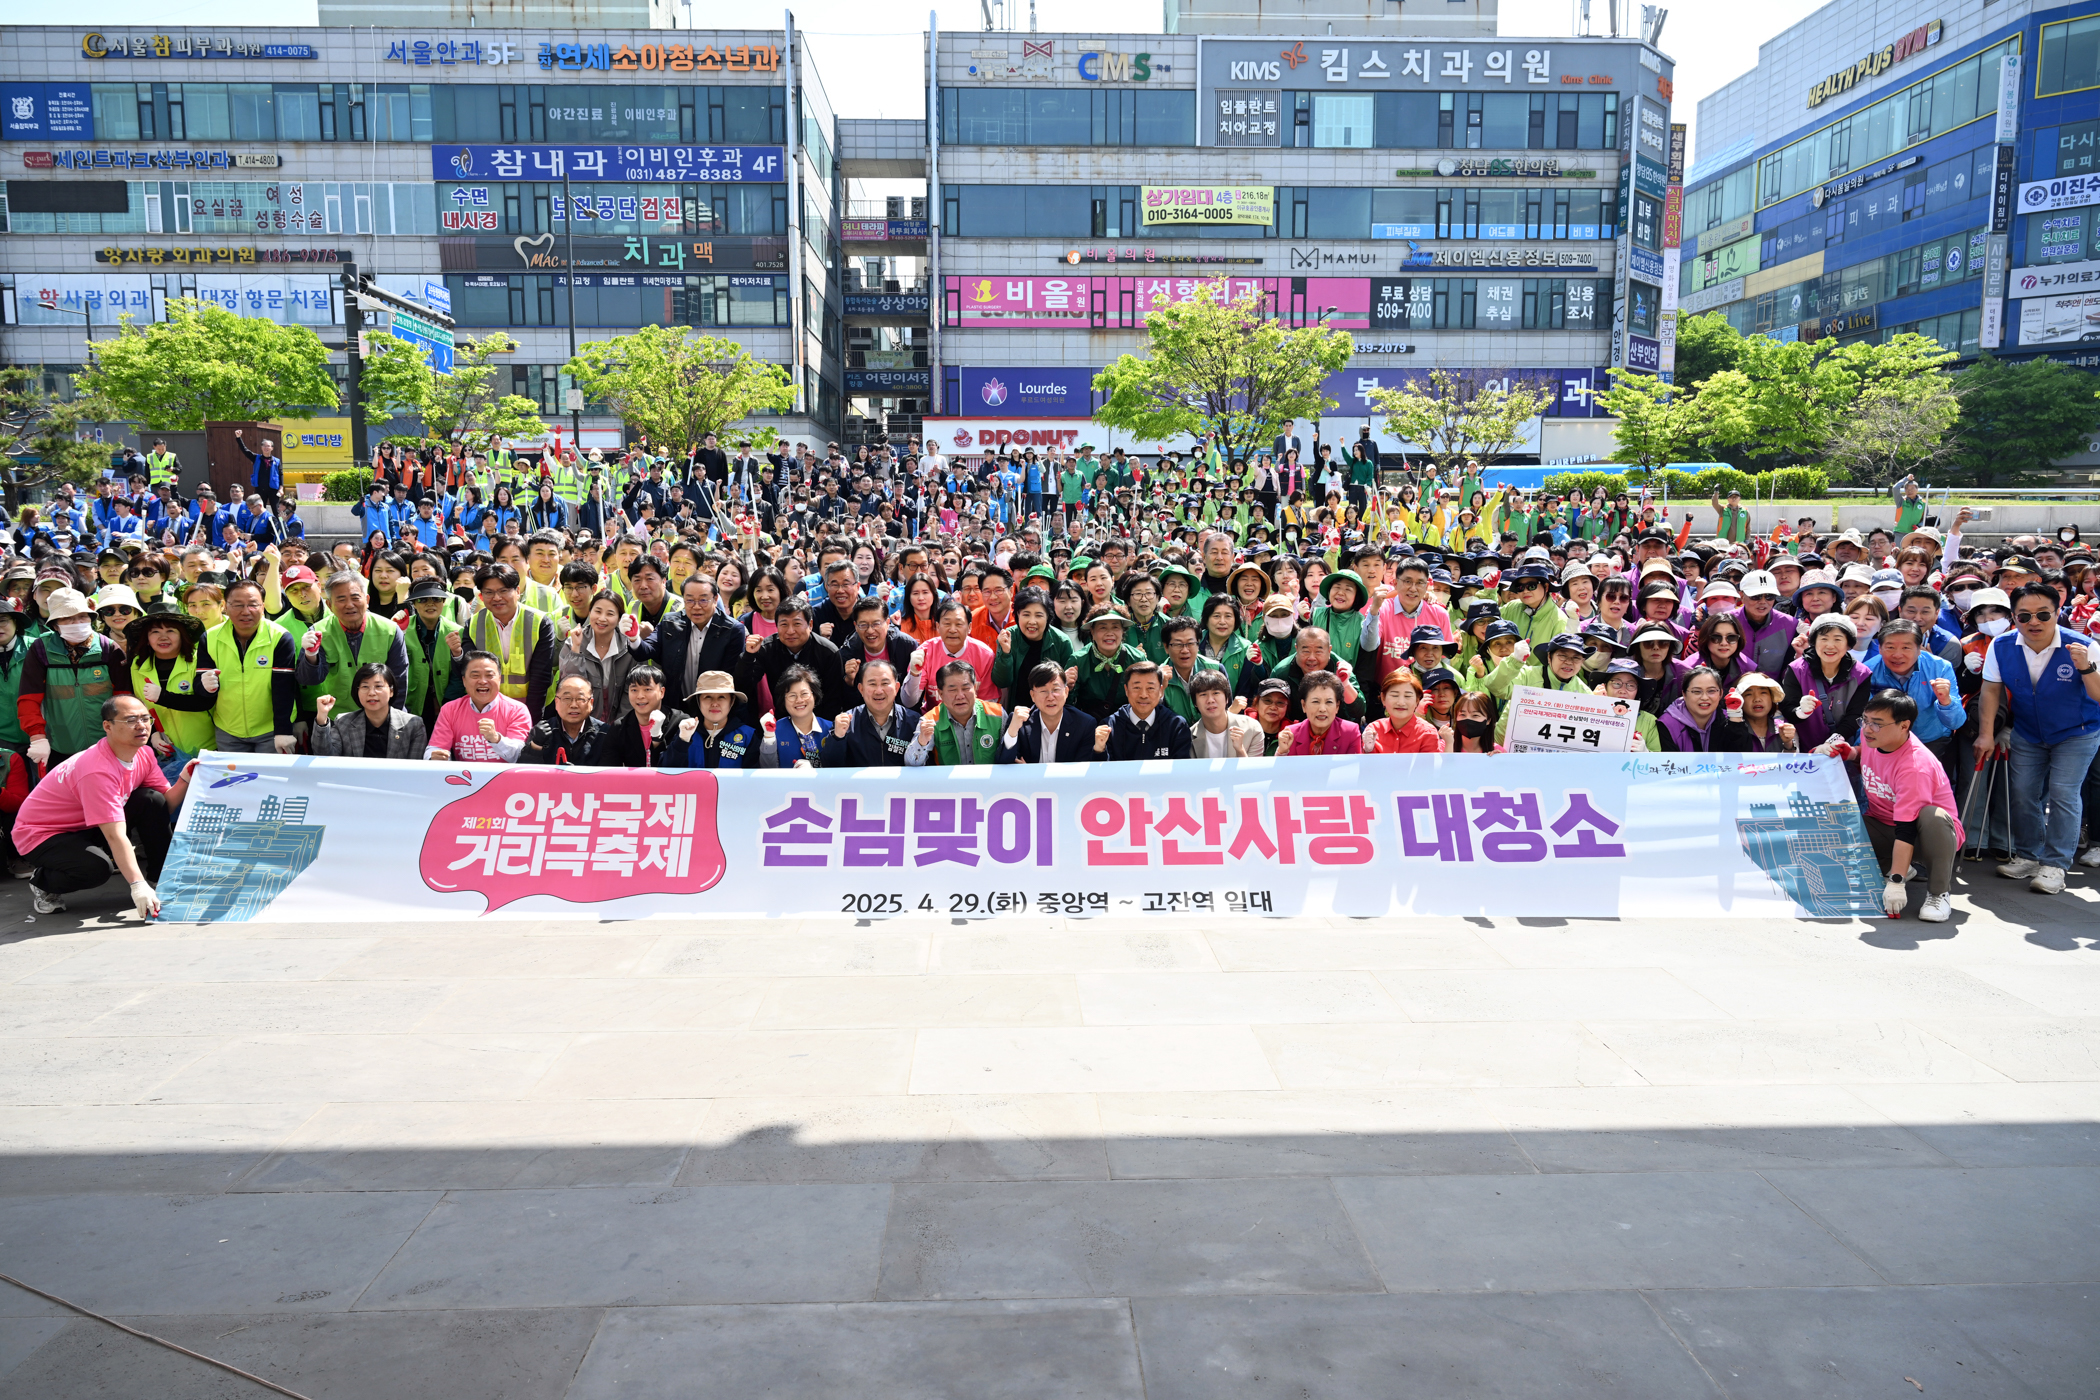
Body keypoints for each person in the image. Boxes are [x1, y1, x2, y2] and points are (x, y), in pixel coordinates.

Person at [13, 695, 199, 916]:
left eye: (145, 718)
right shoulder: (97, 769)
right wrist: (137, 885)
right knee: (96, 869)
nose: (141, 726)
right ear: (107, 726)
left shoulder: (144, 753)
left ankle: (161, 879)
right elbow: (114, 835)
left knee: (151, 799)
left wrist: (185, 778)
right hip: (44, 834)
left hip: (86, 823)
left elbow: (165, 805)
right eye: (130, 720)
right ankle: (43, 882)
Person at [1977, 582, 2100, 895]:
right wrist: (1986, 734)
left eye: (2043, 615)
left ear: (2058, 613)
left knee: (2063, 793)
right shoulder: (2001, 646)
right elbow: (1991, 690)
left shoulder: (2084, 645)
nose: (2034, 622)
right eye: (2024, 616)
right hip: (2029, 732)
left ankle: (2055, 864)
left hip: (2077, 732)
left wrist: (2085, 668)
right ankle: (2030, 856)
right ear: (2014, 617)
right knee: (2022, 793)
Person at [1859, 688, 1962, 924]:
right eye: (1865, 720)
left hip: (1927, 836)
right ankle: (1901, 868)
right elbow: (1870, 759)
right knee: (1847, 820)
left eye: (1876, 723)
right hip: (1886, 824)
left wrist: (1896, 883)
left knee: (1932, 816)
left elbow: (1907, 828)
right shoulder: (1873, 738)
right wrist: (1848, 753)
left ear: (1904, 726)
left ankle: (1939, 893)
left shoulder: (1915, 766)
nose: (1867, 728)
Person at [17, 587, 128, 769]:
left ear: (91, 619)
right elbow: (28, 698)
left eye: (82, 616)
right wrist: (37, 737)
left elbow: (124, 697)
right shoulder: (40, 650)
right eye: (67, 618)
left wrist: (123, 735)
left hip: (107, 745)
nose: (76, 622)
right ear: (55, 625)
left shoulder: (108, 648)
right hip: (60, 747)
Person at [295, 569, 410, 720]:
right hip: (340, 717)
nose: (349, 605)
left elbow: (399, 680)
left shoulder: (390, 630)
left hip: (383, 715)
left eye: (355, 597)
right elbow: (309, 680)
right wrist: (310, 655)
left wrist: (391, 719)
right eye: (341, 599)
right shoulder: (318, 632)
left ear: (367, 600)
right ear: (329, 605)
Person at [203, 579, 298, 754]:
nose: (246, 612)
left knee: (269, 780)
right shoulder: (209, 638)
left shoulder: (280, 637)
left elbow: (284, 688)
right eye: (238, 605)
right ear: (225, 605)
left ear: (263, 606)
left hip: (270, 730)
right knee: (233, 780)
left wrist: (283, 731)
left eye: (253, 604)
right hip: (228, 729)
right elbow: (201, 688)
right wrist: (204, 685)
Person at [124, 602, 214, 781]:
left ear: (183, 635)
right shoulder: (138, 666)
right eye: (155, 632)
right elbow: (142, 708)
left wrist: (162, 697)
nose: (163, 637)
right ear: (146, 637)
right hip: (166, 753)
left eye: (171, 631)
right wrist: (152, 735)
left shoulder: (199, 660)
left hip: (207, 748)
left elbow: (205, 702)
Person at [425, 651, 533, 763]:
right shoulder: (450, 709)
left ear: (499, 679)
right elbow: (434, 749)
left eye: (489, 675)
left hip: (505, 779)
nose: (482, 681)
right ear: (464, 681)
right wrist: (434, 757)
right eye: (475, 676)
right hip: (464, 778)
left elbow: (519, 756)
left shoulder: (517, 710)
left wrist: (496, 739)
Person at [311, 661, 427, 760]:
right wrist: (322, 717)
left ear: (391, 691)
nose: (371, 693)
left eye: (378, 686)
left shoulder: (413, 724)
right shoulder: (343, 722)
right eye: (365, 687)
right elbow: (325, 757)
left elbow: (414, 769)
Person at [822, 657, 920, 766]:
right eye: (872, 684)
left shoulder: (914, 722)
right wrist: (837, 738)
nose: (878, 691)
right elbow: (829, 767)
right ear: (861, 689)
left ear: (897, 688)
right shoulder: (847, 723)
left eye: (885, 683)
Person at [905, 659, 1004, 766]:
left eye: (966, 688)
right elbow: (911, 765)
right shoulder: (930, 720)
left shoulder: (998, 714)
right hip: (948, 782)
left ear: (975, 689)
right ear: (940, 694)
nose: (960, 696)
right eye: (952, 690)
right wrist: (922, 741)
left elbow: (1010, 757)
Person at [997, 660, 1098, 765]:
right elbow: (1004, 764)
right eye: (1043, 691)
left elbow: (1081, 771)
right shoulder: (1020, 721)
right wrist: (1012, 730)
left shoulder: (1084, 724)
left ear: (1066, 692)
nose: (1050, 697)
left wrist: (1030, 772)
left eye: (1056, 689)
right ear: (1032, 696)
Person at [1093, 660, 1193, 761]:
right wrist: (1099, 750)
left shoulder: (1176, 725)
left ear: (1161, 691)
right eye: (1136, 688)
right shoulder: (1110, 726)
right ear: (1126, 690)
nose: (1143, 695)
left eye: (1150, 688)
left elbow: (1181, 770)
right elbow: (1103, 772)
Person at [522, 674, 608, 765]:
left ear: (591, 703)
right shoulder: (542, 731)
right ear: (556, 702)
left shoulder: (605, 733)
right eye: (567, 698)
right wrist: (535, 746)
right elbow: (524, 772)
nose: (574, 705)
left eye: (580, 699)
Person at [680, 670, 755, 769]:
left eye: (721, 697)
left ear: (732, 701)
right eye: (708, 697)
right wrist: (682, 741)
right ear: (698, 701)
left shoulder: (747, 736)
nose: (715, 703)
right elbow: (667, 770)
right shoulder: (686, 733)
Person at [760, 665, 831, 768]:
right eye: (792, 695)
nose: (799, 700)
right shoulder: (774, 730)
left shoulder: (831, 729)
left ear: (814, 695)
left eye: (804, 694)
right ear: (783, 700)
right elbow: (767, 769)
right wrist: (769, 737)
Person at [1281, 670, 1362, 755]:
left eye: (1329, 702)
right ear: (1304, 705)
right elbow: (1283, 768)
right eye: (1316, 702)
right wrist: (1282, 752)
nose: (1322, 709)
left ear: (1337, 706)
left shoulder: (1350, 732)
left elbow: (1353, 767)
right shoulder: (1290, 734)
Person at [1186, 668, 1263, 758]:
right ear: (1195, 703)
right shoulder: (1188, 737)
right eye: (1203, 694)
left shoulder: (1252, 728)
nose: (1210, 700)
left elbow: (1254, 771)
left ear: (1227, 698)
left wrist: (1240, 750)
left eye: (1216, 693)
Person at [1363, 669, 1441, 754]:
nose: (1400, 702)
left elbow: (1427, 766)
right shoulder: (1374, 729)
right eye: (1394, 695)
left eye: (1407, 696)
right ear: (1383, 698)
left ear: (1417, 700)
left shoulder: (1427, 733)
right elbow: (1367, 765)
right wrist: (1368, 750)